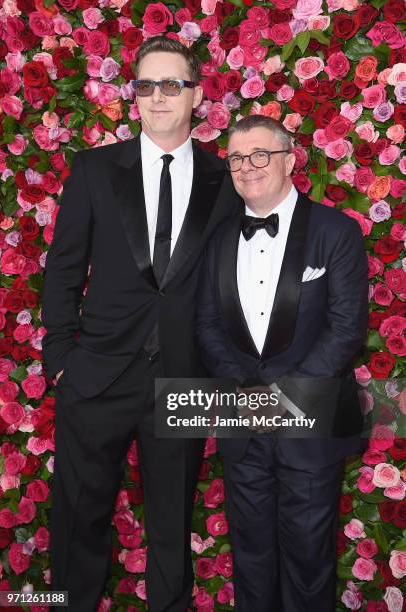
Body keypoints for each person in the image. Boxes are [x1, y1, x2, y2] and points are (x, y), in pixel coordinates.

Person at [42, 36, 238, 612]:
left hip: (183, 379)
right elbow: (62, 272)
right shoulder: (96, 169)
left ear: (196, 95)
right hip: (95, 376)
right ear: (134, 96)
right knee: (78, 516)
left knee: (173, 524)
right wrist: (60, 363)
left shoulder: (223, 180)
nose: (157, 97)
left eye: (171, 85)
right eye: (146, 85)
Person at [196, 115, 368, 611]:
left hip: (309, 425)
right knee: (249, 557)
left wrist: (282, 402)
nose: (247, 167)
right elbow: (207, 325)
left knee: (309, 561)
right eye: (236, 158)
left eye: (260, 155)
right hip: (242, 426)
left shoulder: (336, 232)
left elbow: (344, 329)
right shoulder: (219, 239)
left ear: (290, 160)